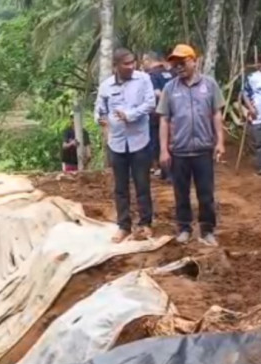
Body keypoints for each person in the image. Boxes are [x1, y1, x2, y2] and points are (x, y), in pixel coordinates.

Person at [158, 44, 225, 247]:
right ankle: (184, 228)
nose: (178, 67)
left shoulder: (209, 85)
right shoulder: (170, 89)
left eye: (182, 62)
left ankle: (207, 230)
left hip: (203, 149)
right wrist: (163, 150)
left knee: (206, 193)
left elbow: (216, 114)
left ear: (194, 61)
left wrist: (220, 142)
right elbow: (164, 120)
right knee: (181, 193)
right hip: (179, 150)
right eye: (175, 64)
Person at [96, 48, 156, 242]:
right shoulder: (105, 86)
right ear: (116, 66)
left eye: (132, 63)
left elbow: (150, 104)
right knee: (120, 187)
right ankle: (124, 226)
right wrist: (100, 119)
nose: (131, 67)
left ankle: (145, 224)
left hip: (139, 140)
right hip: (117, 142)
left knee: (142, 184)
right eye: (126, 64)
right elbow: (99, 109)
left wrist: (130, 115)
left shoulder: (143, 79)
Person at [143, 52, 174, 179]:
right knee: (172, 141)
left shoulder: (151, 76)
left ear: (148, 60)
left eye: (143, 61)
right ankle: (170, 172)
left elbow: (157, 93)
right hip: (175, 114)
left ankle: (160, 169)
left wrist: (166, 103)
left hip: (157, 115)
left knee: (157, 142)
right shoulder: (172, 73)